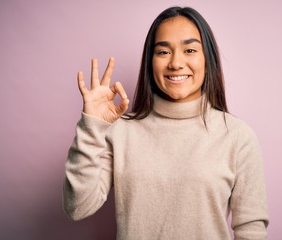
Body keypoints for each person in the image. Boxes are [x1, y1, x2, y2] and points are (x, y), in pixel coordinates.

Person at [63, 6, 269, 240]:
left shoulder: (237, 136)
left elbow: (251, 230)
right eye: (163, 52)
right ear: (150, 61)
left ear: (207, 60)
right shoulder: (121, 131)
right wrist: (92, 127)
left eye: (190, 50)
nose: (176, 63)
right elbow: (77, 208)